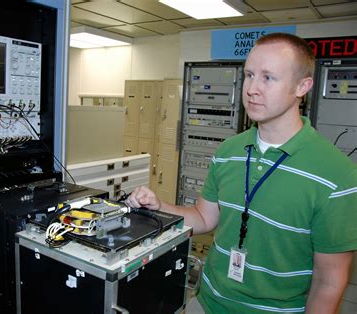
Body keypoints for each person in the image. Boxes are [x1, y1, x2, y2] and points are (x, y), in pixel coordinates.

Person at [125, 33, 357, 313]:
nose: (251, 88)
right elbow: (203, 217)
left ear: (302, 86)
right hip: (208, 302)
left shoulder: (336, 175)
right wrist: (159, 206)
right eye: (249, 75)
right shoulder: (228, 151)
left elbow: (329, 282)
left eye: (268, 78)